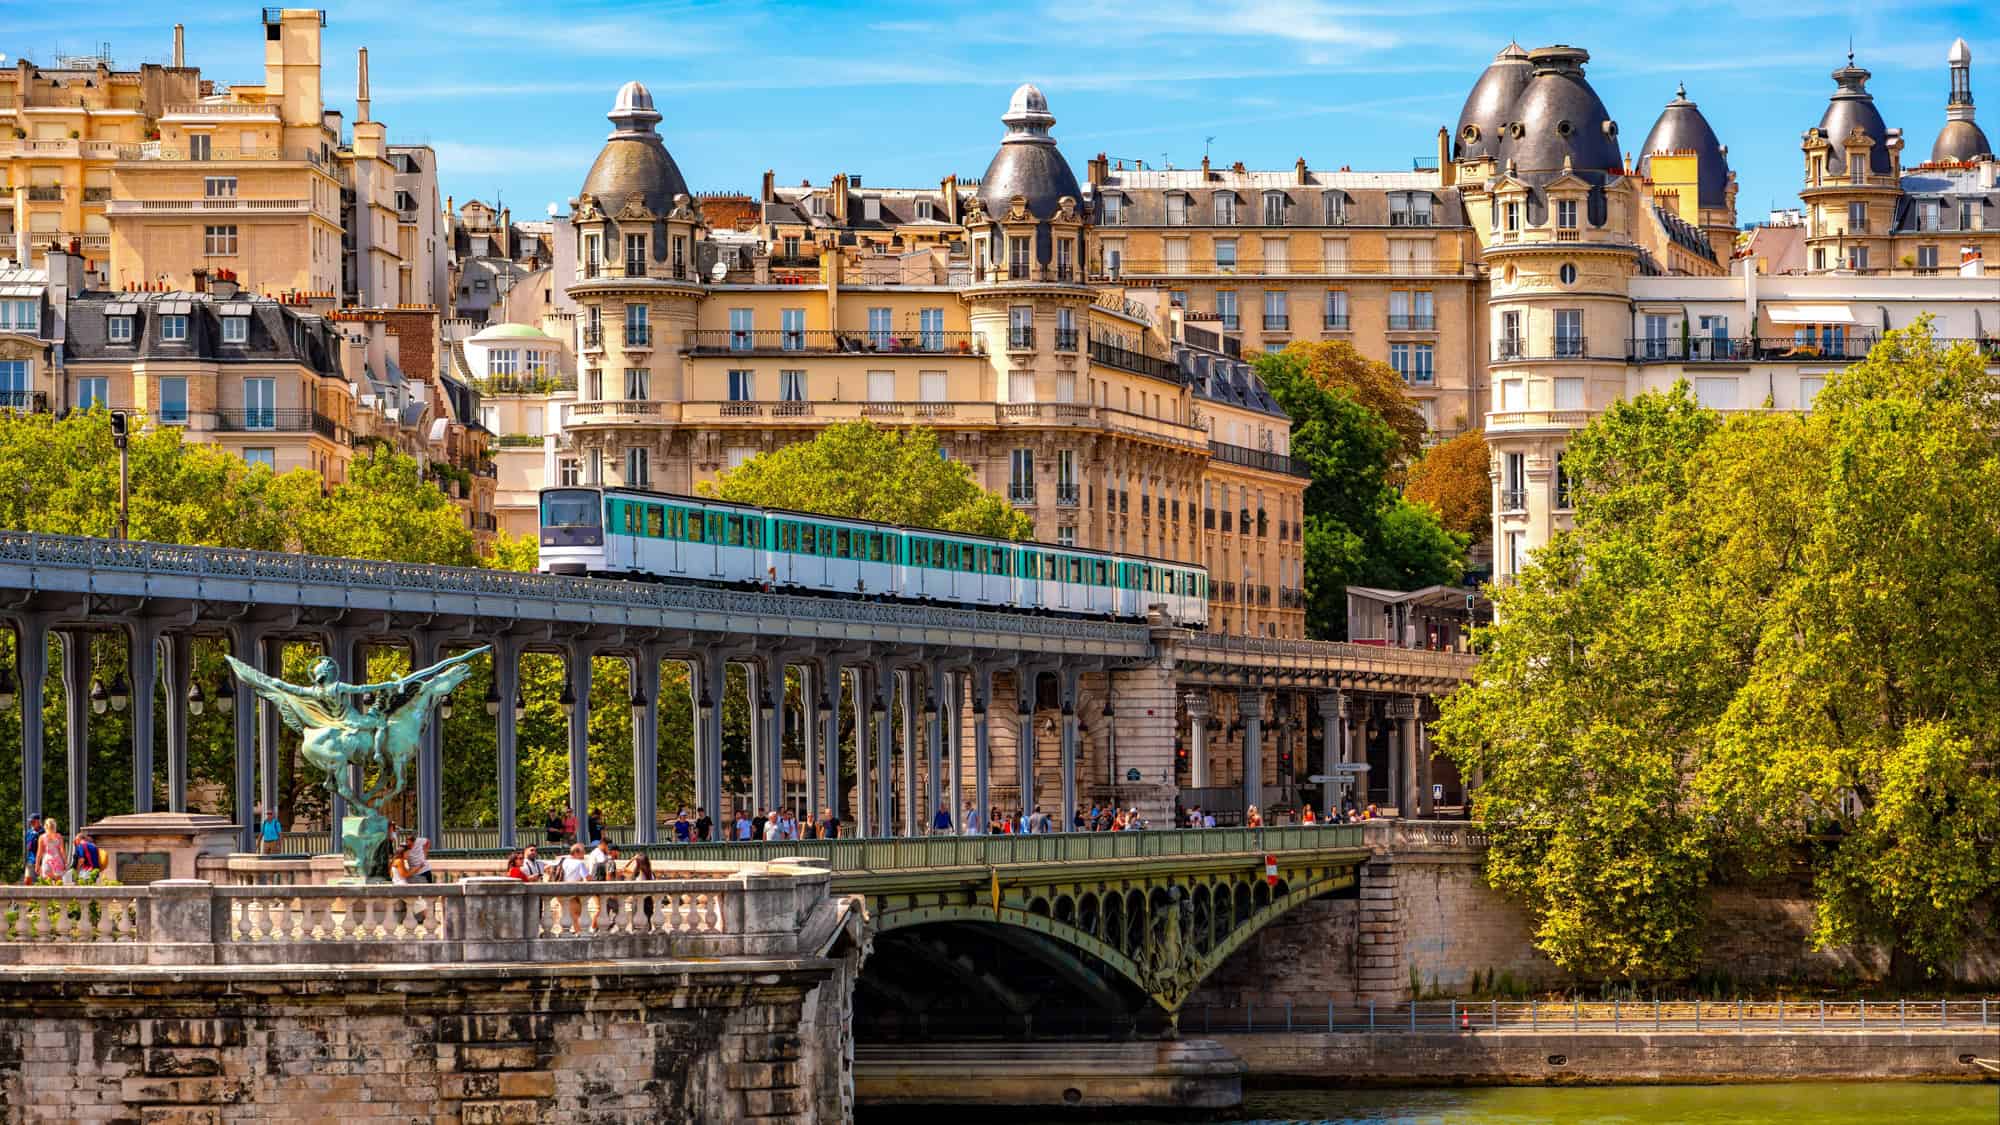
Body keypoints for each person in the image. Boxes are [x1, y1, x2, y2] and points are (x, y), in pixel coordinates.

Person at [35, 816, 67, 884]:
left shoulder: (42, 837)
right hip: (57, 860)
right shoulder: (59, 836)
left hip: (47, 861)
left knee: (47, 883)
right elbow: (62, 851)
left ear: (45, 826)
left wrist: (37, 864)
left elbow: (39, 852)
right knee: (59, 883)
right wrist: (65, 862)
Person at [21, 813, 42, 884]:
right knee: (27, 879)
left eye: (33, 821)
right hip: (31, 859)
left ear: (38, 821)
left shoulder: (43, 832)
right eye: (30, 822)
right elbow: (28, 846)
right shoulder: (29, 832)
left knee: (42, 880)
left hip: (42, 860)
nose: (31, 823)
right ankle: (28, 895)